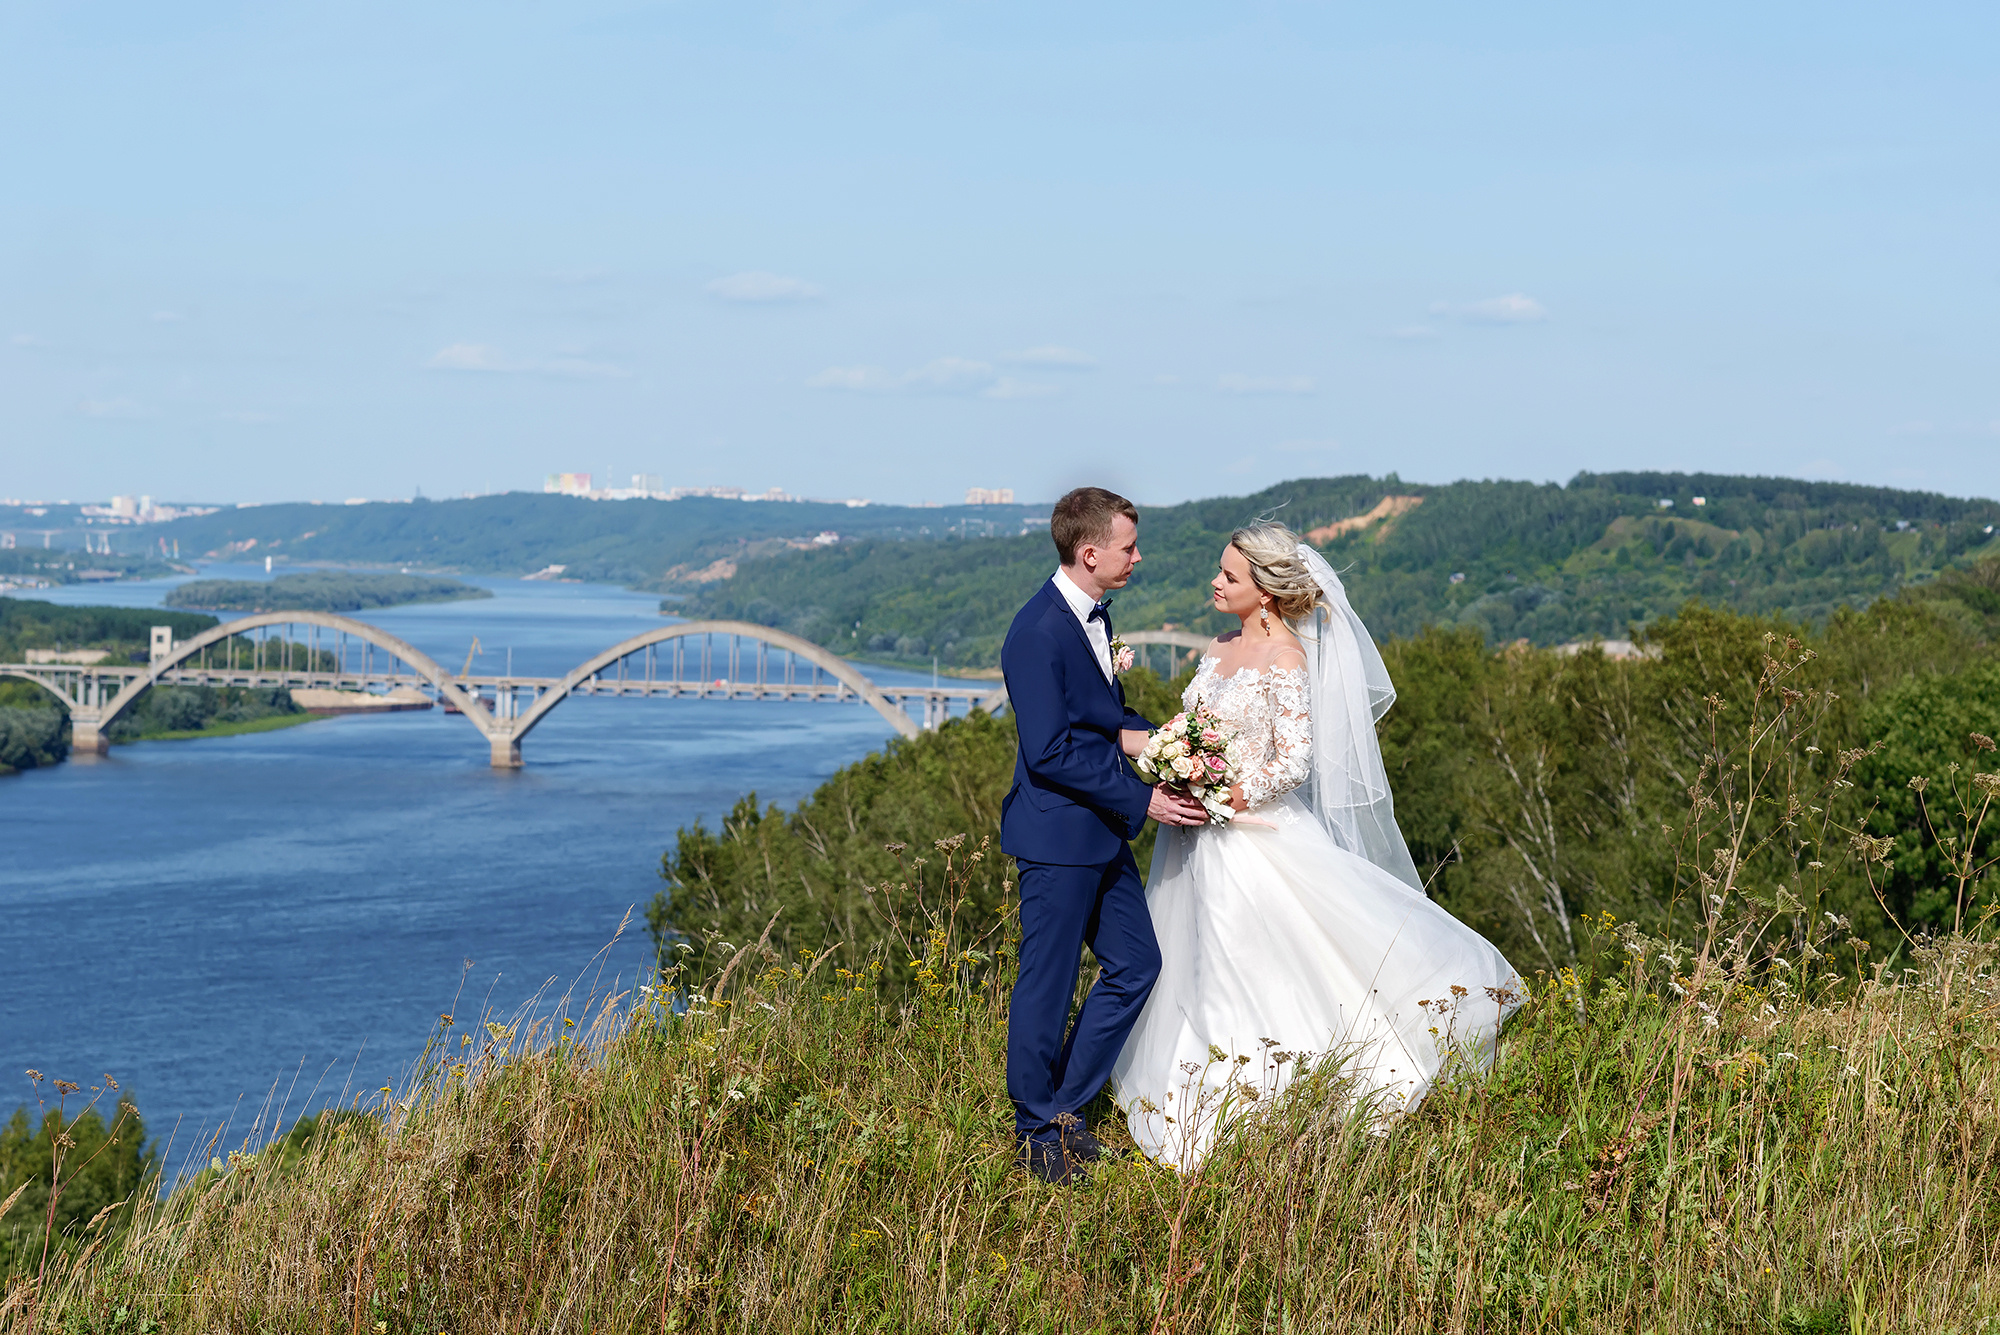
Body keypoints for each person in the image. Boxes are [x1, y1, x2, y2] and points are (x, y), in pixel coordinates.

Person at [1110, 521, 1524, 1171]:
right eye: (1219, 571)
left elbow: (1293, 761)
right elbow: (1188, 729)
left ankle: (1240, 1111)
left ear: (1267, 592)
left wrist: (1223, 798)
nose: (1215, 582)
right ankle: (1189, 1092)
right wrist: (1154, 751)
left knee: (1236, 964)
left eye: (1229, 575)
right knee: (1186, 961)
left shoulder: (1286, 658)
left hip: (1248, 836)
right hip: (1189, 839)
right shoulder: (1217, 647)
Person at [999, 486, 1209, 1185]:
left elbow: (1099, 718)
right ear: (1090, 553)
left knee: (1136, 965)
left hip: (1099, 834)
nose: (1137, 556)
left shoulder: (1093, 616)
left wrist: (1171, 746)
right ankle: (1035, 1131)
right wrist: (1144, 797)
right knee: (1048, 986)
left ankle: (1066, 1109)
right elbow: (1050, 751)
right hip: (1057, 838)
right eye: (1128, 546)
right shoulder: (1035, 632)